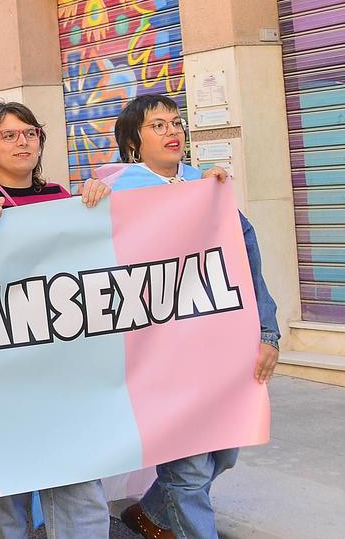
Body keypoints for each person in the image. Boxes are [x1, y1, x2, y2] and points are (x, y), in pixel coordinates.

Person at [103, 95, 280, 539]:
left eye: (176, 122)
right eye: (157, 124)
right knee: (188, 467)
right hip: (159, 355)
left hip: (218, 348)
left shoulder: (207, 186)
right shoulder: (118, 190)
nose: (171, 131)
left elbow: (247, 258)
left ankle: (151, 513)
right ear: (133, 141)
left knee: (224, 452)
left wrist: (268, 332)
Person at [0, 102, 110, 539]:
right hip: (0, 371)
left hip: (61, 368)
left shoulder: (61, 197)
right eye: (9, 135)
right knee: (7, 501)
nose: (23, 142)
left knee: (79, 485)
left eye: (30, 133)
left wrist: (97, 204)